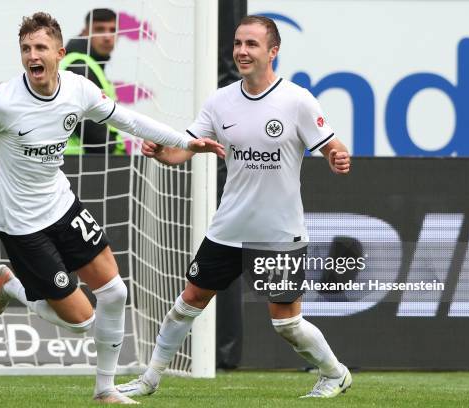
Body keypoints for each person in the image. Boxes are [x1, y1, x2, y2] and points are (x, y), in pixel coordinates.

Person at [0, 12, 224, 404]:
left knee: (115, 292)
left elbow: (130, 121)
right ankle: (10, 285)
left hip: (61, 203)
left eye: (40, 47)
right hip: (20, 222)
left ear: (59, 52)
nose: (32, 55)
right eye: (26, 49)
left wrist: (188, 142)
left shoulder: (79, 90)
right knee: (83, 323)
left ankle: (105, 389)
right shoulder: (4, 102)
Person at [116, 15, 352, 399]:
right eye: (238, 43)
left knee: (286, 325)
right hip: (228, 228)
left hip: (279, 232)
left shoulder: (297, 101)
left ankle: (334, 373)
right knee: (188, 301)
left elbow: (332, 145)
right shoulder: (220, 101)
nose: (242, 51)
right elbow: (185, 150)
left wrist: (338, 157)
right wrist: (162, 152)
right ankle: (150, 378)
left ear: (273, 51)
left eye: (252, 44)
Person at [61, 8, 124, 155]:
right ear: (85, 33)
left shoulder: (89, 65)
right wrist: (118, 157)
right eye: (100, 29)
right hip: (74, 164)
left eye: (112, 30)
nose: (107, 36)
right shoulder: (79, 66)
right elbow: (94, 136)